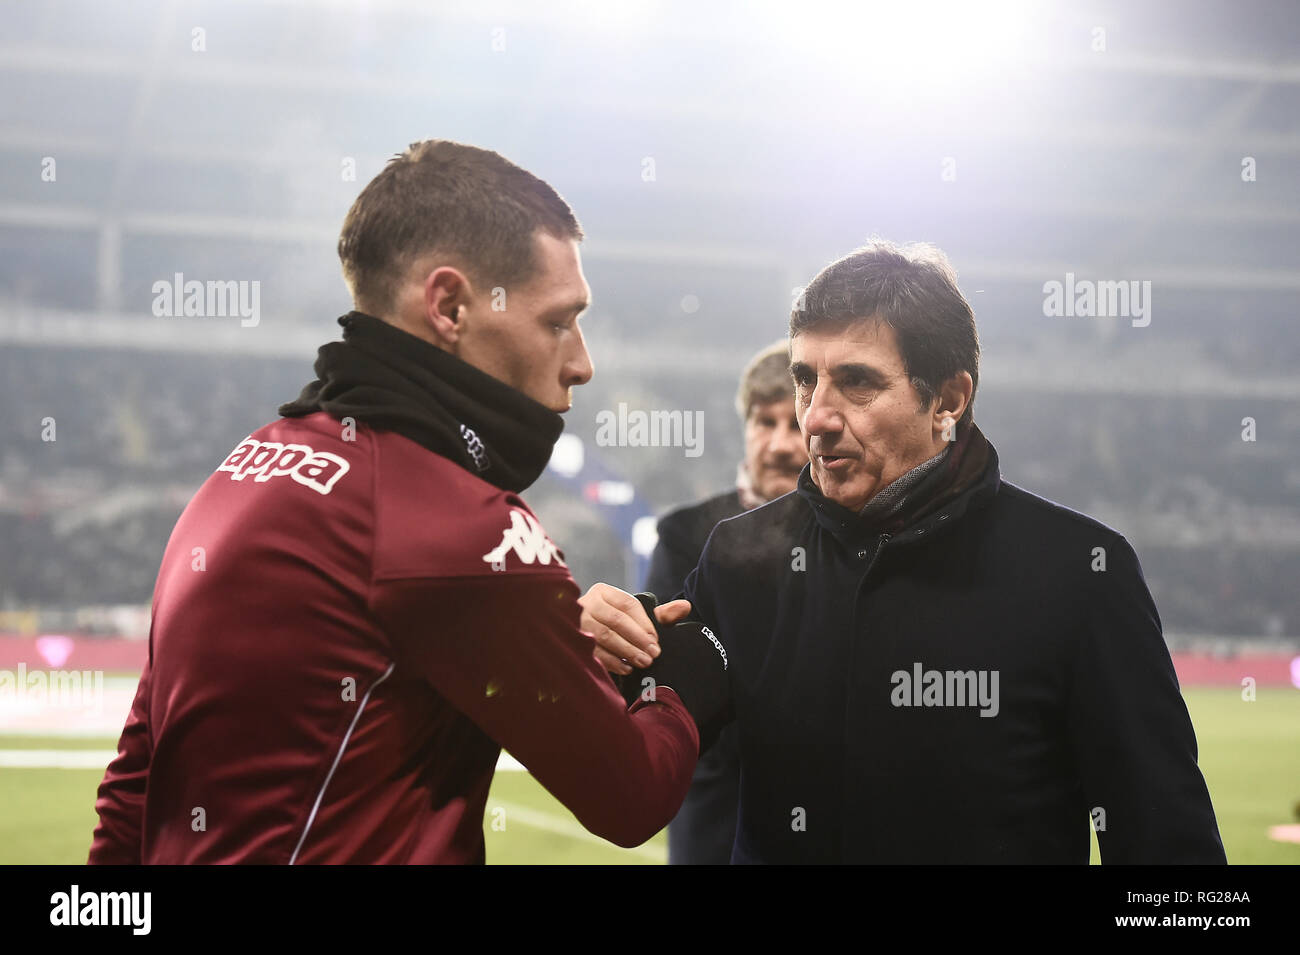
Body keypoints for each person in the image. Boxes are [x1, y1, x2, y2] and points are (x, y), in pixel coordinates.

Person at [87, 140, 725, 864]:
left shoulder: (243, 472)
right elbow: (632, 792)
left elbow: (138, 780)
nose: (581, 361)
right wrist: (682, 677)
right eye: (557, 321)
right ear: (449, 304)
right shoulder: (463, 528)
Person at [586, 239, 1227, 863]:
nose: (815, 418)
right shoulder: (740, 555)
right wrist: (609, 650)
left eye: (856, 382)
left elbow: (1166, 842)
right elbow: (635, 767)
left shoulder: (1080, 571)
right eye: (806, 380)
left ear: (947, 400)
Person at [641, 341, 806, 864]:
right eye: (765, 422)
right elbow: (670, 678)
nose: (780, 444)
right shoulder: (687, 534)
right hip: (716, 820)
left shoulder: (856, 543)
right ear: (746, 426)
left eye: (796, 424)